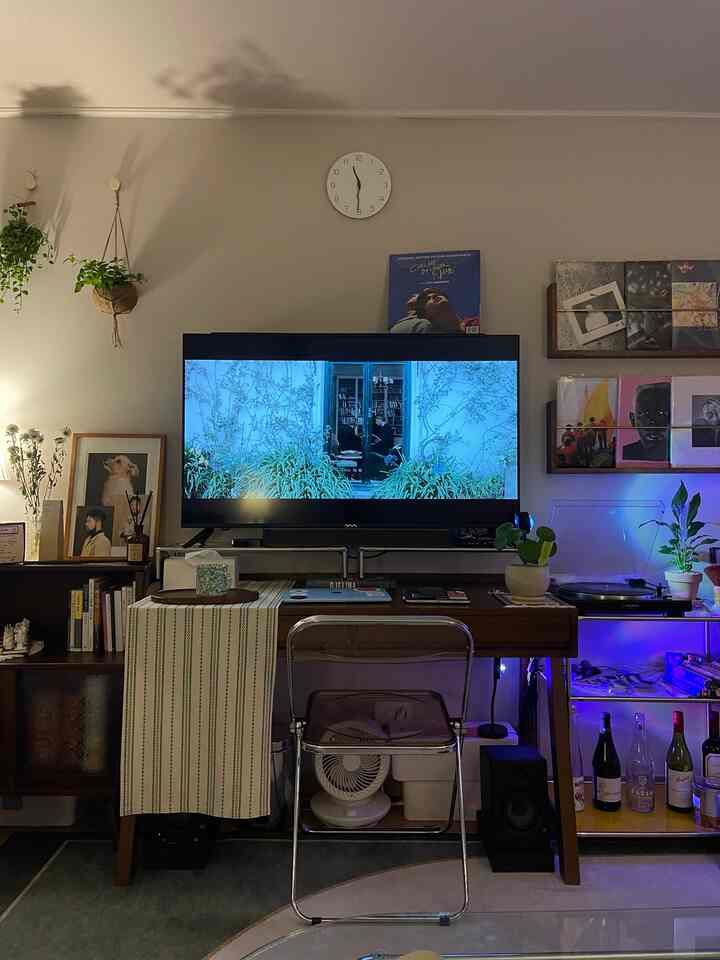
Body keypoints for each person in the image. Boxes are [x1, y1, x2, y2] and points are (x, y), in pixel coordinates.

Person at [391, 288, 477, 334]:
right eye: (428, 299)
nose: (435, 297)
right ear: (426, 314)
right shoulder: (426, 327)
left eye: (437, 295)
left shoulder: (473, 323)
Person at [622, 382, 671, 461]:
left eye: (661, 413)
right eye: (645, 414)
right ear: (633, 419)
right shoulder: (625, 453)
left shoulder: (684, 453)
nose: (653, 422)